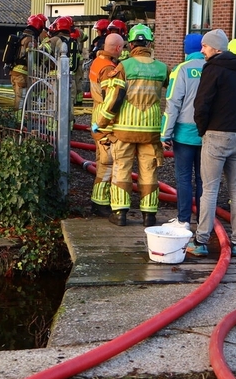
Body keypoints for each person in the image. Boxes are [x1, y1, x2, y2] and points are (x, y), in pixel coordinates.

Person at [186, 29, 236, 258]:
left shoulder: (212, 70)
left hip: (215, 135)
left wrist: (203, 130)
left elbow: (201, 104)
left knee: (209, 190)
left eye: (205, 46)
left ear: (216, 48)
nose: (202, 50)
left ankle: (201, 241)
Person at [93, 24, 168, 227]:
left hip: (124, 129)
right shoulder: (162, 68)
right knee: (149, 171)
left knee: (121, 168)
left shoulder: (124, 66)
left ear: (132, 44)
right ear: (150, 43)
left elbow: (114, 98)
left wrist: (101, 122)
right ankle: (149, 215)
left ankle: (120, 214)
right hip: (151, 132)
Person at [160, 34, 206, 230]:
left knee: (184, 177)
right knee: (204, 179)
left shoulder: (182, 69)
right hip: (207, 134)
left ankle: (184, 220)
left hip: (184, 134)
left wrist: (165, 134)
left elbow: (173, 103)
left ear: (186, 49)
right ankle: (204, 222)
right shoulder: (212, 68)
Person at [88, 32, 125, 217]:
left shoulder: (98, 61)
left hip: (97, 116)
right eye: (123, 47)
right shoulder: (108, 69)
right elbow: (111, 99)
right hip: (105, 121)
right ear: (118, 48)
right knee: (108, 164)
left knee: (101, 161)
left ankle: (99, 200)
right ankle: (100, 203)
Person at [10, 15, 46, 108]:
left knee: (22, 97)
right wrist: (35, 73)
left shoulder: (22, 36)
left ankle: (23, 118)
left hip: (16, 71)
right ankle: (19, 121)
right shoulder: (31, 40)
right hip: (22, 73)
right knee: (21, 98)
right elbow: (31, 58)